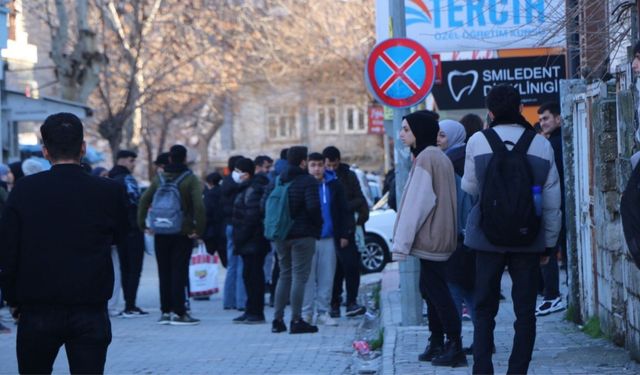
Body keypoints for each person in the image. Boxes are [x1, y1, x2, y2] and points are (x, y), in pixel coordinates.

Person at [0, 112, 129, 373]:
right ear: (82, 147)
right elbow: (122, 237)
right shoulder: (109, 191)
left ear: (45, 151)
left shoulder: (24, 190)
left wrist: (13, 299)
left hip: (37, 306)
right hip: (90, 306)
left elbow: (8, 250)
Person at [462, 84, 561, 374]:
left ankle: (482, 369)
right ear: (520, 110)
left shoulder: (478, 141)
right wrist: (549, 245)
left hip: (486, 238)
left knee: (483, 310)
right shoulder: (540, 143)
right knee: (525, 312)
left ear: (490, 112)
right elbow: (553, 201)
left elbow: (469, 186)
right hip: (528, 238)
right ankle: (517, 370)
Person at [392, 111, 465, 368]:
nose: (401, 134)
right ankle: (437, 341)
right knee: (430, 290)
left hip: (431, 237)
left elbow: (417, 204)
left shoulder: (426, 158)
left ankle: (454, 344)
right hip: (441, 235)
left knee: (437, 292)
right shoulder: (436, 157)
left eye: (406, 130)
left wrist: (400, 244)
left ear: (419, 132)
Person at [138, 144, 206, 326]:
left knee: (164, 272)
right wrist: (198, 230)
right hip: (182, 231)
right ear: (184, 159)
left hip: (160, 231)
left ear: (169, 159)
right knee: (179, 272)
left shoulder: (159, 178)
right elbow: (199, 206)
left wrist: (143, 224)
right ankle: (180, 312)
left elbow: (144, 200)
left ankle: (165, 312)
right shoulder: (190, 179)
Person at [266, 146, 323, 334]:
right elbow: (313, 207)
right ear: (303, 162)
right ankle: (296, 320)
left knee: (284, 274)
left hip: (281, 235)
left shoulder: (278, 179)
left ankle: (277, 320)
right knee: (300, 277)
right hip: (302, 235)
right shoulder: (308, 181)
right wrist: (318, 227)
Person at [438, 119, 477, 352]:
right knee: (471, 293)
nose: (438, 140)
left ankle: (454, 343)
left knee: (456, 292)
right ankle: (483, 340)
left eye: (442, 135)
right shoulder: (463, 157)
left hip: (459, 239)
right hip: (469, 238)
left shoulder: (452, 162)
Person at [302, 152, 353, 327]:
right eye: (312, 165)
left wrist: (345, 233)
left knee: (327, 276)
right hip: (308, 238)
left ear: (325, 165)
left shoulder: (334, 184)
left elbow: (344, 210)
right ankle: (306, 313)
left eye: (319, 165)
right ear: (307, 167)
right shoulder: (303, 185)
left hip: (329, 237)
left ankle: (323, 311)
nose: (316, 169)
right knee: (307, 278)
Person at [323, 146, 368, 318]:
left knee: (351, 267)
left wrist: (346, 209)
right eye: (329, 165)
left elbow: (360, 200)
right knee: (334, 270)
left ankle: (351, 301)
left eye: (334, 165)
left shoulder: (348, 176)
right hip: (330, 231)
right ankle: (334, 303)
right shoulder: (323, 179)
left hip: (348, 230)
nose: (332, 168)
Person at [109, 150, 148, 318]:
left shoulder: (110, 179)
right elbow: (136, 204)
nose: (133, 164)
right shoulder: (127, 180)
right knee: (134, 268)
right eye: (132, 160)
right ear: (122, 160)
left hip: (119, 232)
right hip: (132, 230)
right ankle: (130, 304)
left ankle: (128, 303)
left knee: (124, 268)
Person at [536, 102, 566, 316]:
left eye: (546, 118)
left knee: (550, 247)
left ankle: (552, 295)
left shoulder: (555, 144)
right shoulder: (555, 141)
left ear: (558, 118)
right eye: (540, 120)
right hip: (560, 204)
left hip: (558, 205)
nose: (542, 123)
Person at [231, 158, 271, 324]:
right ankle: (250, 310)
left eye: (237, 171)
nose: (235, 174)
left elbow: (251, 217)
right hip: (248, 241)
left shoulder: (253, 189)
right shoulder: (246, 188)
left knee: (254, 277)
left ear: (246, 174)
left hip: (253, 241)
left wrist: (240, 237)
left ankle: (256, 312)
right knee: (248, 276)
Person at [221, 155, 247, 311]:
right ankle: (241, 301)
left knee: (232, 265)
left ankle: (228, 300)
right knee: (241, 265)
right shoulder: (239, 184)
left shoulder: (225, 183)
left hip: (228, 226)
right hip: (239, 226)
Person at [203, 172, 227, 268]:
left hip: (210, 231)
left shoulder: (208, 195)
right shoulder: (224, 193)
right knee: (226, 260)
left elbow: (206, 213)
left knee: (209, 260)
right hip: (222, 230)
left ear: (210, 182)